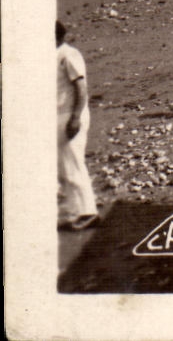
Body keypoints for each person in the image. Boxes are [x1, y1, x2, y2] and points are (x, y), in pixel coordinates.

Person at [57, 20, 99, 230]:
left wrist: (75, 117)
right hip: (57, 115)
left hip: (69, 115)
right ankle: (76, 211)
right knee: (63, 166)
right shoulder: (52, 55)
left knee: (72, 163)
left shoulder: (69, 55)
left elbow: (81, 89)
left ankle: (87, 212)